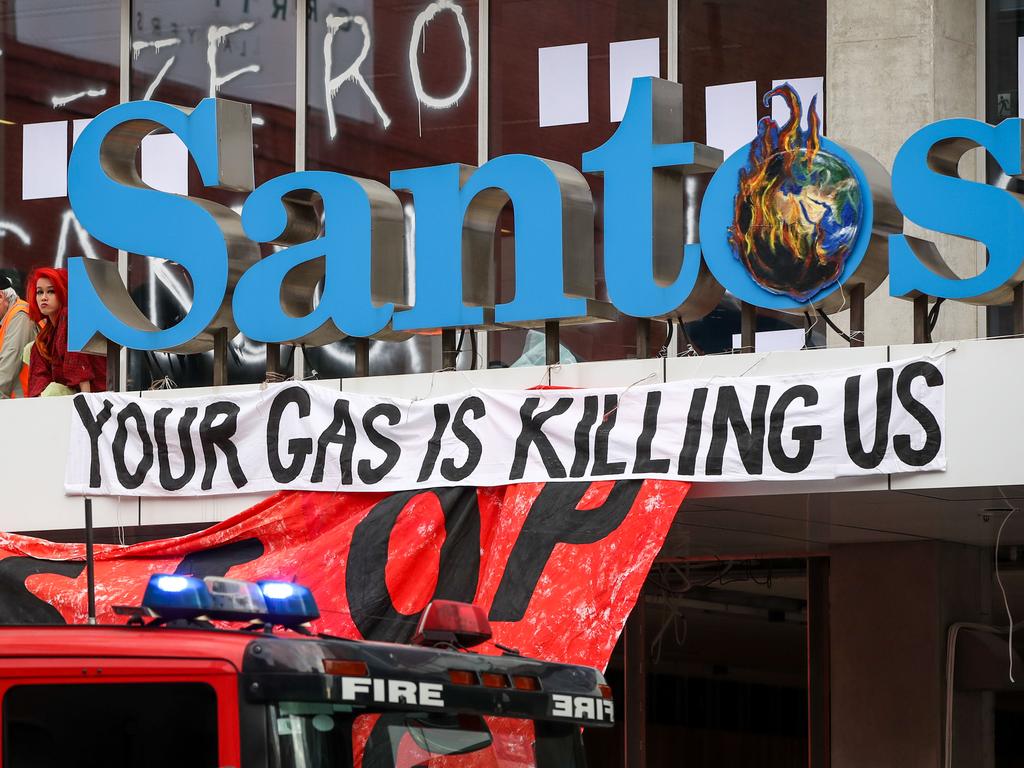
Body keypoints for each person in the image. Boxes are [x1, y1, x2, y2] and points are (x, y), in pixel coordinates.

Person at [26, 267, 107, 397]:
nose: (44, 298)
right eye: (39, 292)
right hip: (67, 404)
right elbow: (38, 381)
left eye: (51, 291)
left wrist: (86, 403)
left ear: (63, 292)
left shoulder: (70, 317)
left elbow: (79, 364)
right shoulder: (44, 339)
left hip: (95, 400)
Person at [0, 274, 36, 398]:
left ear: (1, 297)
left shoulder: (20, 315)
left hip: (24, 404)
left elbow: (11, 356)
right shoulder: (8, 318)